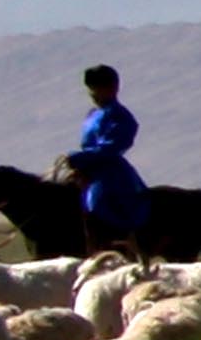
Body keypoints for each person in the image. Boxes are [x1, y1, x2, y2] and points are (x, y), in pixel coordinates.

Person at [60, 63, 147, 247]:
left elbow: (111, 147)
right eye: (91, 89)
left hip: (110, 171)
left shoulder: (120, 116)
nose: (92, 94)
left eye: (97, 89)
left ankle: (119, 241)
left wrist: (81, 158)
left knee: (97, 201)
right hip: (88, 167)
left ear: (112, 88)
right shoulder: (93, 114)